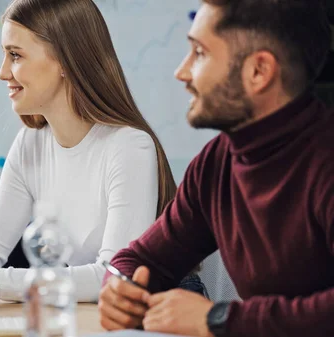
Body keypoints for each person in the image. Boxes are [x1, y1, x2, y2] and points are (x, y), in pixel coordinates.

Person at [0, 0, 178, 302]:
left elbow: (112, 277)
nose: (3, 72)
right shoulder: (30, 145)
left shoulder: (129, 147)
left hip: (156, 317)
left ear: (65, 61)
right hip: (89, 318)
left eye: (15, 55)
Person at [98, 0, 333, 336]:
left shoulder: (325, 161)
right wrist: (119, 288)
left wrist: (219, 319)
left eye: (200, 53)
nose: (182, 72)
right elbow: (140, 258)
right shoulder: (216, 163)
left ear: (258, 72)